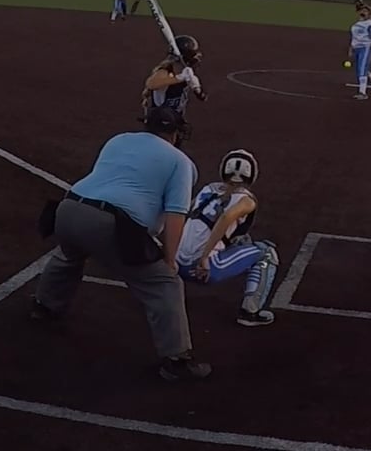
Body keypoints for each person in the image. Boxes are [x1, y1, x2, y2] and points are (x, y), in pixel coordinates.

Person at [30, 107, 210, 382]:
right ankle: (177, 360)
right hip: (110, 223)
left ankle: (44, 306)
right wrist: (170, 260)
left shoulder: (118, 139)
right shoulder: (181, 162)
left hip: (66, 210)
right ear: (176, 132)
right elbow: (176, 215)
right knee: (164, 283)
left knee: (69, 254)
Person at [176, 148, 280, 327]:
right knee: (266, 252)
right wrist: (204, 257)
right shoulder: (247, 200)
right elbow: (225, 217)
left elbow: (184, 213)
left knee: (243, 241)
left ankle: (169, 292)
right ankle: (249, 312)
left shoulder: (207, 189)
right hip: (203, 270)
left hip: (175, 264)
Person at [141, 35, 206, 122]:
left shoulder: (187, 74)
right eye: (193, 56)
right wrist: (180, 78)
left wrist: (197, 89)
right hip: (159, 122)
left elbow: (202, 97)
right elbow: (151, 84)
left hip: (175, 120)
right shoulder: (165, 72)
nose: (196, 60)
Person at [349, 6, 371, 100]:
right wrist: (351, 48)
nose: (363, 12)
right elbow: (354, 37)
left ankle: (363, 93)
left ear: (370, 15)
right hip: (356, 48)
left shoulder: (370, 25)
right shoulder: (357, 24)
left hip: (365, 48)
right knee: (360, 69)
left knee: (362, 69)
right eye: (362, 11)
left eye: (366, 11)